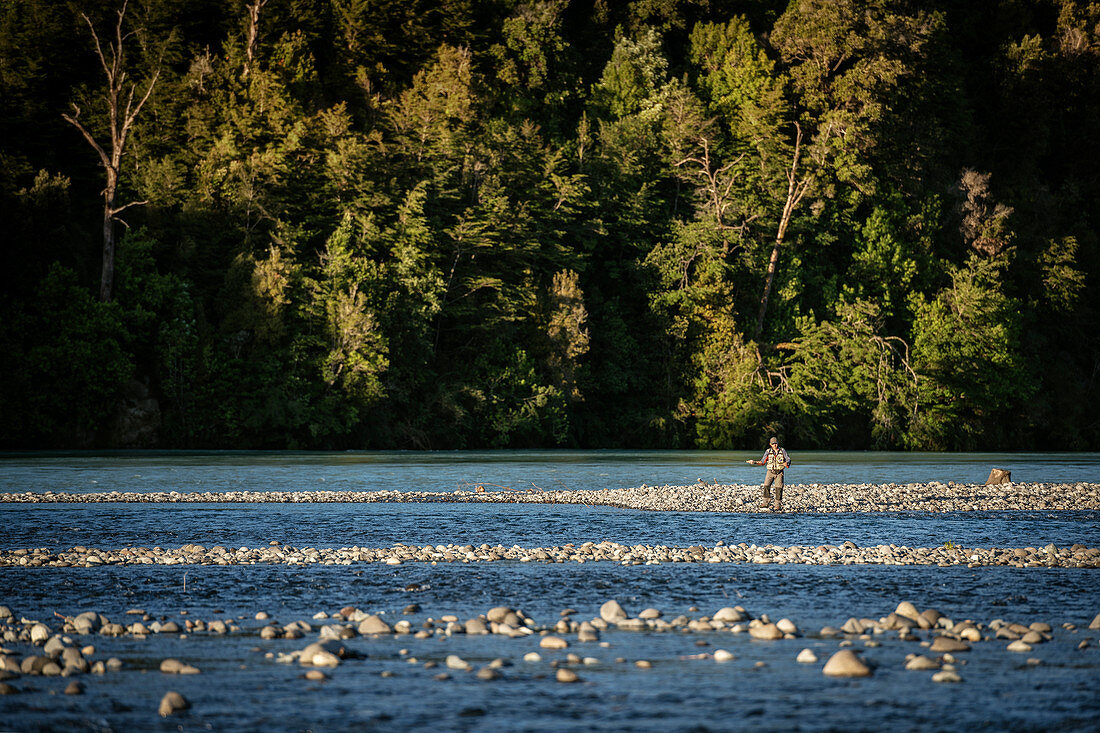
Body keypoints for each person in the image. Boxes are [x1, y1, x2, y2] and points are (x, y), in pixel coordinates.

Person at [746, 436, 791, 511]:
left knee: (778, 489)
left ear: (777, 443)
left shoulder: (782, 450)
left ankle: (777, 505)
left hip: (779, 473)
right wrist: (754, 462)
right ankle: (765, 503)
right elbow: (762, 462)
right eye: (773, 444)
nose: (775, 445)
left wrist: (786, 463)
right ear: (770, 444)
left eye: (776, 443)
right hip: (770, 472)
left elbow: (788, 459)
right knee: (766, 486)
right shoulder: (768, 451)